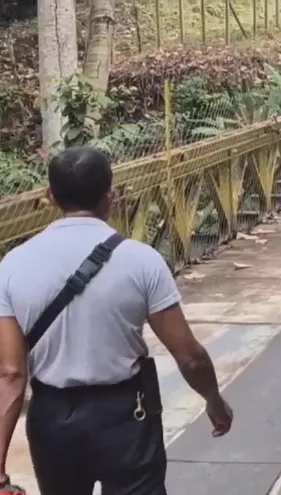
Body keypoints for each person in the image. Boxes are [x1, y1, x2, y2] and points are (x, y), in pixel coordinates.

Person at [0, 146, 233, 495]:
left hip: (52, 419)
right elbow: (189, 355)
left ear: (50, 196)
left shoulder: (12, 266)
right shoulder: (141, 261)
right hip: (127, 416)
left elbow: (12, 374)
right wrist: (213, 399)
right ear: (111, 195)